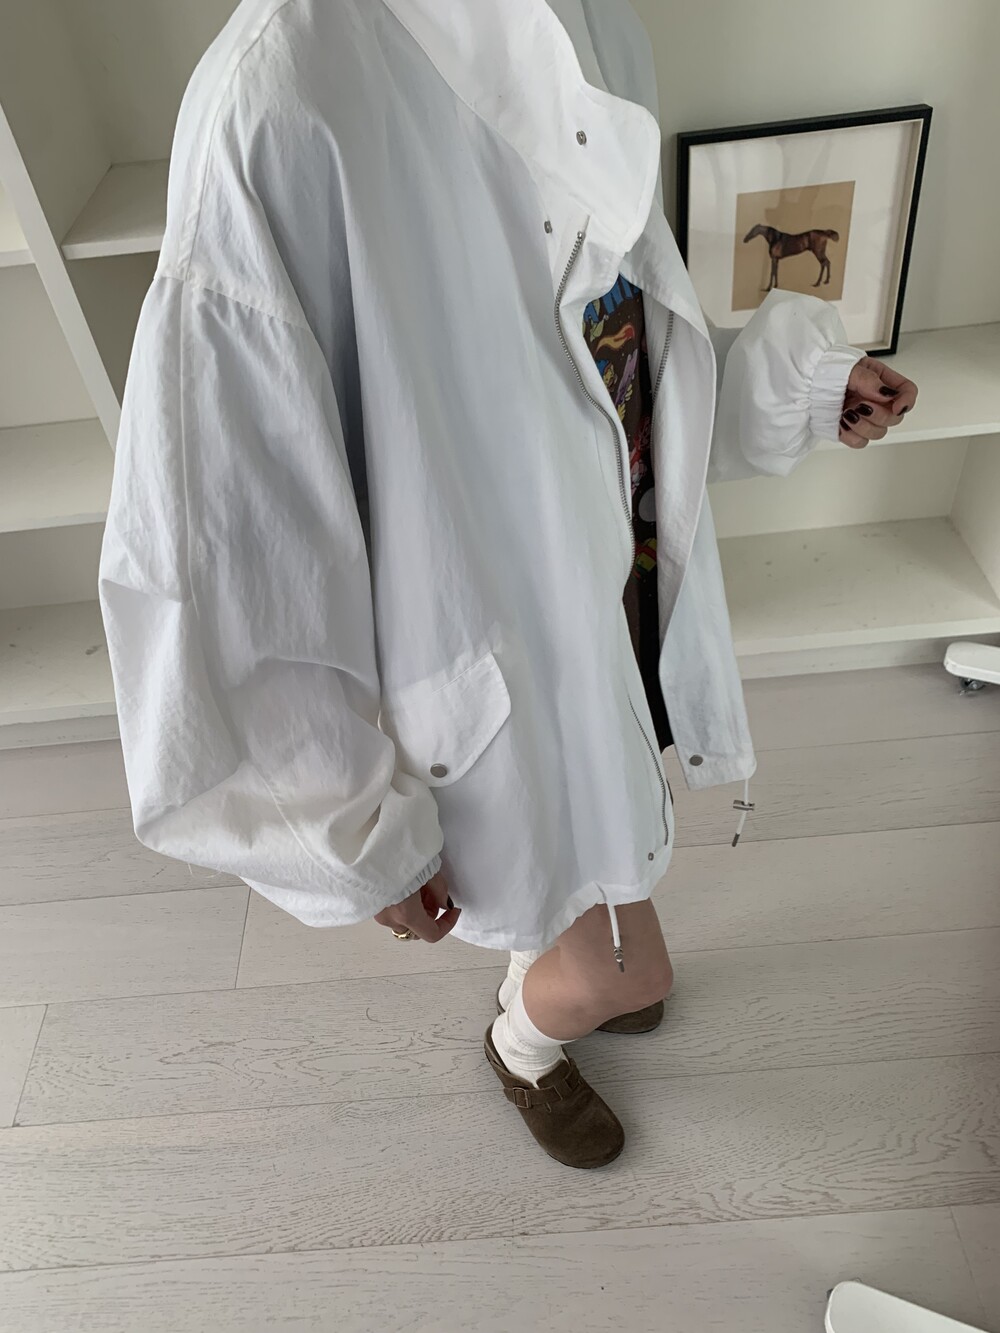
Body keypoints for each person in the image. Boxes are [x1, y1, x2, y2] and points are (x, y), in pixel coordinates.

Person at [99, 0, 918, 1170]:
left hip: (612, 594)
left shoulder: (596, 22)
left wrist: (793, 391)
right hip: (490, 663)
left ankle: (567, 948)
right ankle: (522, 1043)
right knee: (622, 967)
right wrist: (352, 831)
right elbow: (228, 551)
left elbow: (617, 345)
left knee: (610, 841)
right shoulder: (276, 97)